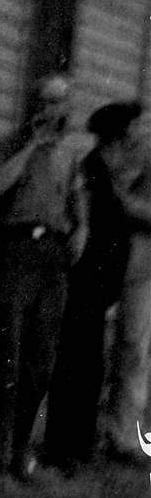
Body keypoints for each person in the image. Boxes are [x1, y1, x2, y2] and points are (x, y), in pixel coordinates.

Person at [0, 74, 87, 485]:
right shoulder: (0, 147)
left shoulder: (68, 156)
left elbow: (76, 206)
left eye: (62, 102)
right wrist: (31, 146)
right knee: (5, 362)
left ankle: (19, 456)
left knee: (39, 366)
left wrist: (78, 235)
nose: (55, 111)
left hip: (51, 262)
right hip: (11, 255)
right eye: (48, 102)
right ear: (32, 105)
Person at [42, 102, 142, 474]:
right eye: (129, 133)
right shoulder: (93, 173)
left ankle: (78, 446)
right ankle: (62, 448)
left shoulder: (108, 176)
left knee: (88, 365)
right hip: (84, 285)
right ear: (116, 138)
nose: (133, 140)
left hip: (97, 289)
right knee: (75, 365)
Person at [100, 105, 151, 466]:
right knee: (133, 349)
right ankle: (123, 437)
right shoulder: (144, 150)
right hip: (143, 265)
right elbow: (117, 195)